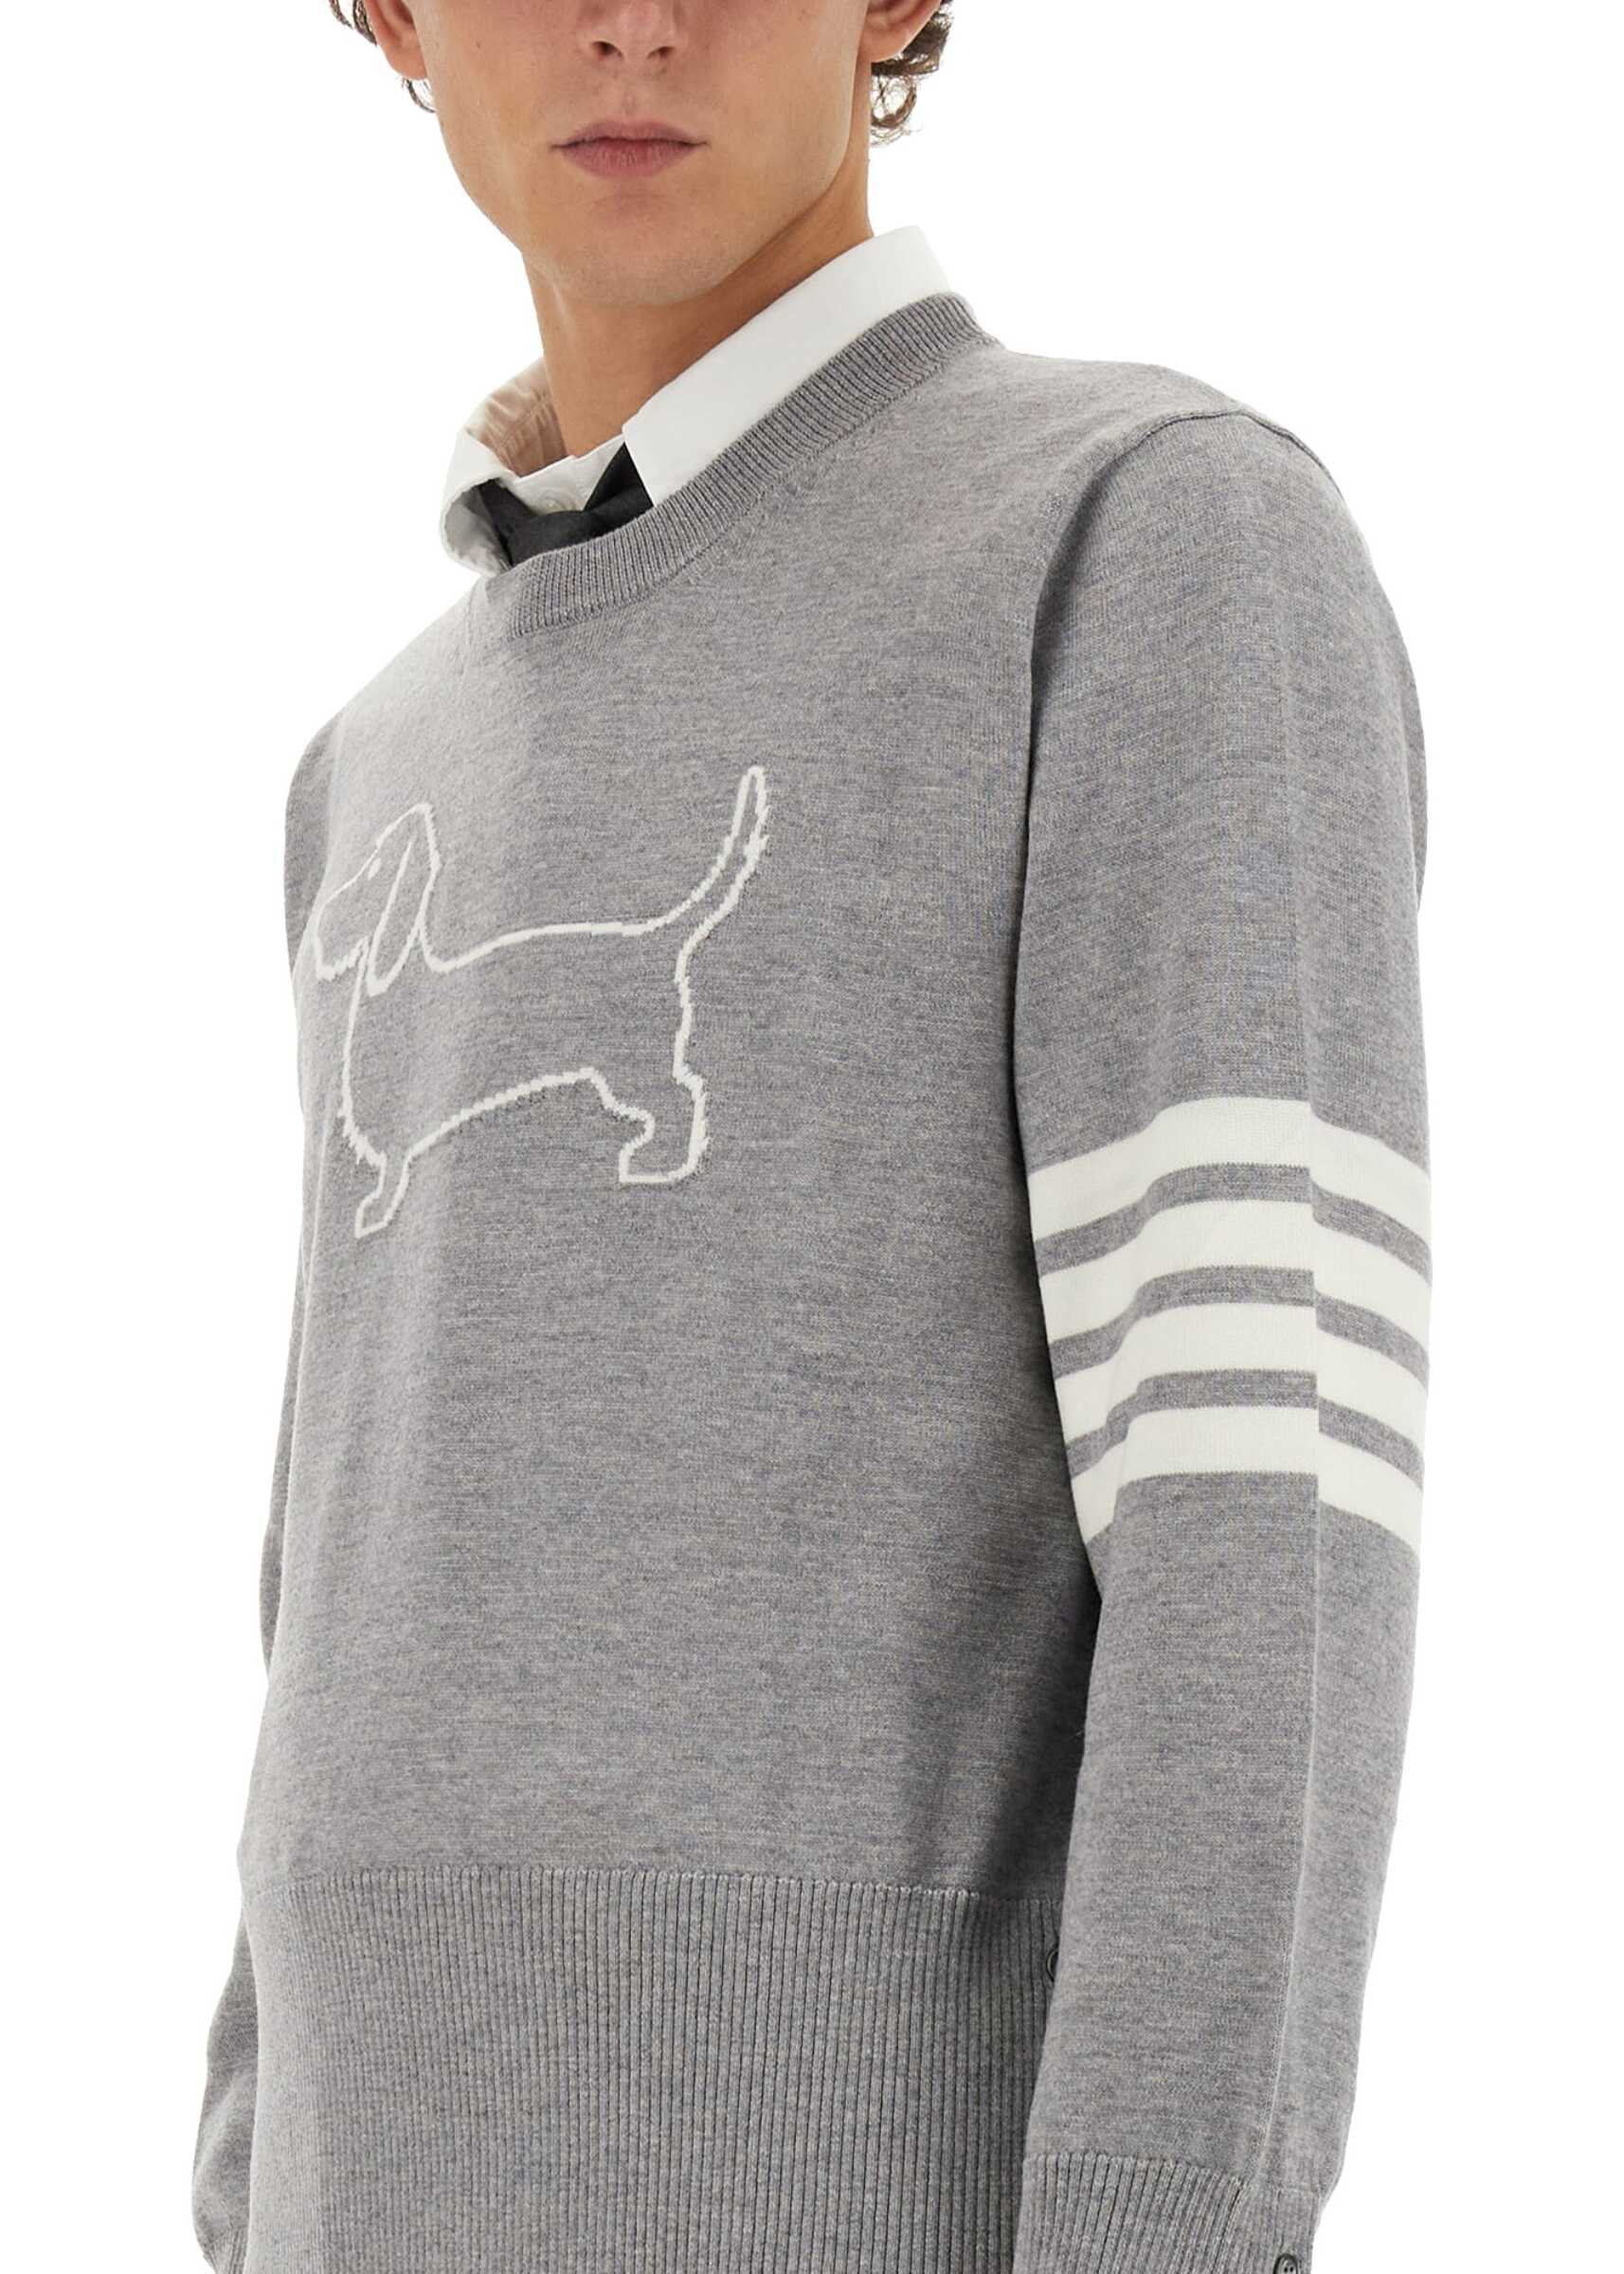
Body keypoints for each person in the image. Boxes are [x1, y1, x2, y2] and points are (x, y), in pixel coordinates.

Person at [190, 6, 1432, 2271]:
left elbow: (1256, 1505)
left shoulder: (1148, 538)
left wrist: (1154, 2232)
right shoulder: (373, 759)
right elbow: (345, 1537)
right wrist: (242, 2158)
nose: (628, 19)